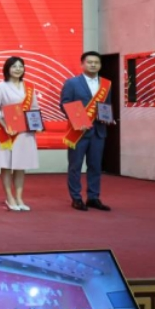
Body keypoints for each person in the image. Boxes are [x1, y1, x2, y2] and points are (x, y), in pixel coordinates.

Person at [59, 51, 113, 211]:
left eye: (96, 62)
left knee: (95, 166)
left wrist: (108, 117)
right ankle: (76, 198)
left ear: (100, 65)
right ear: (82, 64)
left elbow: (107, 105)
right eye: (90, 62)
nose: (93, 65)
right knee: (75, 167)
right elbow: (64, 104)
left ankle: (93, 197)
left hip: (98, 132)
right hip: (78, 132)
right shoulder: (72, 83)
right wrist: (77, 120)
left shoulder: (106, 84)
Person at [0, 56, 40, 212]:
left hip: (25, 132)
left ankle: (19, 197)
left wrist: (36, 124)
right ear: (7, 69)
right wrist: (6, 126)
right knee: (6, 165)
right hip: (7, 132)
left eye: (20, 66)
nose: (18, 69)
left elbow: (34, 108)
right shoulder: (0, 86)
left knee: (20, 165)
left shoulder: (29, 87)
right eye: (14, 66)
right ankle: (9, 197)